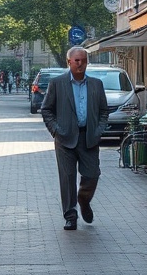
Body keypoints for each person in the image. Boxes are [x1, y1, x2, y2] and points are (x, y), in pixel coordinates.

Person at [40, 46, 110, 230]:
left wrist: (99, 130)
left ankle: (84, 200)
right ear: (69, 62)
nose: (80, 64)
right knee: (68, 177)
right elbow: (46, 109)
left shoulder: (96, 84)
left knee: (92, 174)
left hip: (89, 137)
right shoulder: (58, 83)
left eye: (83, 60)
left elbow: (104, 110)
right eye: (76, 60)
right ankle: (70, 215)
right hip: (64, 138)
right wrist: (55, 130)